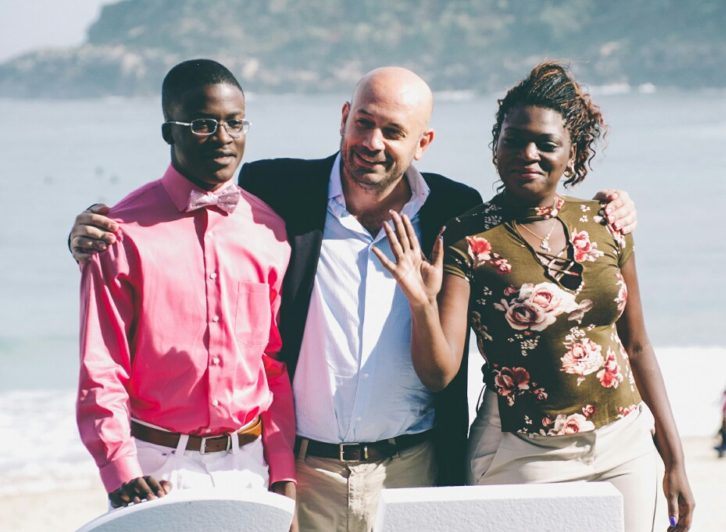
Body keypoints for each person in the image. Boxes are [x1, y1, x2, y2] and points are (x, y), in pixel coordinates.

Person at [68, 66, 639, 531]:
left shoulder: (454, 213)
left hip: (413, 471)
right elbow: (191, 204)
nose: (372, 143)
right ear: (344, 117)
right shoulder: (277, 190)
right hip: (305, 473)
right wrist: (91, 230)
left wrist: (609, 208)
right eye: (363, 122)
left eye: (393, 131)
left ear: (423, 143)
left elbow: (528, 215)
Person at [375, 62, 694, 532]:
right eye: (514, 140)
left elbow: (638, 345)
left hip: (624, 445)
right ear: (496, 147)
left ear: (572, 153)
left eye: (546, 144)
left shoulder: (606, 223)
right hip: (521, 451)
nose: (528, 154)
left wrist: (675, 459)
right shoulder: (467, 238)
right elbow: (440, 373)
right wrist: (421, 304)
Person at [76, 59, 296, 511]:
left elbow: (272, 365)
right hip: (156, 469)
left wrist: (282, 469)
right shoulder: (119, 234)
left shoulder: (269, 230)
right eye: (202, 124)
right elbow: (101, 367)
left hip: (249, 466)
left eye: (234, 122)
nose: (223, 137)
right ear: (169, 132)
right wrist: (120, 468)